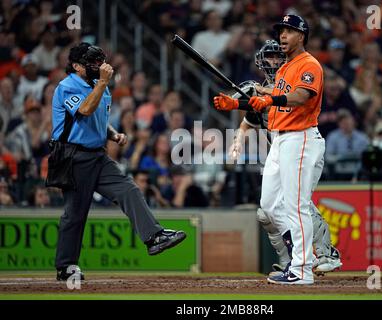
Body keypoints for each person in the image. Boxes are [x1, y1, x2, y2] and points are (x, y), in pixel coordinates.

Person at [49, 43, 186, 281]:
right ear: (77, 66)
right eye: (91, 62)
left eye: (98, 61)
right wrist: (102, 82)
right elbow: (84, 111)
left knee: (128, 189)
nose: (98, 66)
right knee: (76, 212)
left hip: (97, 154)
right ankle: (66, 267)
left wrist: (112, 134)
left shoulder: (97, 85)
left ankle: (154, 237)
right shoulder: (67, 86)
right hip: (72, 156)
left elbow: (99, 116)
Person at [214, 15, 332, 285]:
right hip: (279, 140)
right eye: (281, 31)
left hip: (300, 137)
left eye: (288, 31)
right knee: (269, 206)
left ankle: (301, 269)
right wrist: (236, 105)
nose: (283, 36)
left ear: (301, 36)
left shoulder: (309, 64)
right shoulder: (284, 68)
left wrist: (268, 97)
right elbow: (267, 97)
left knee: (296, 206)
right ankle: (305, 259)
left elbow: (301, 97)